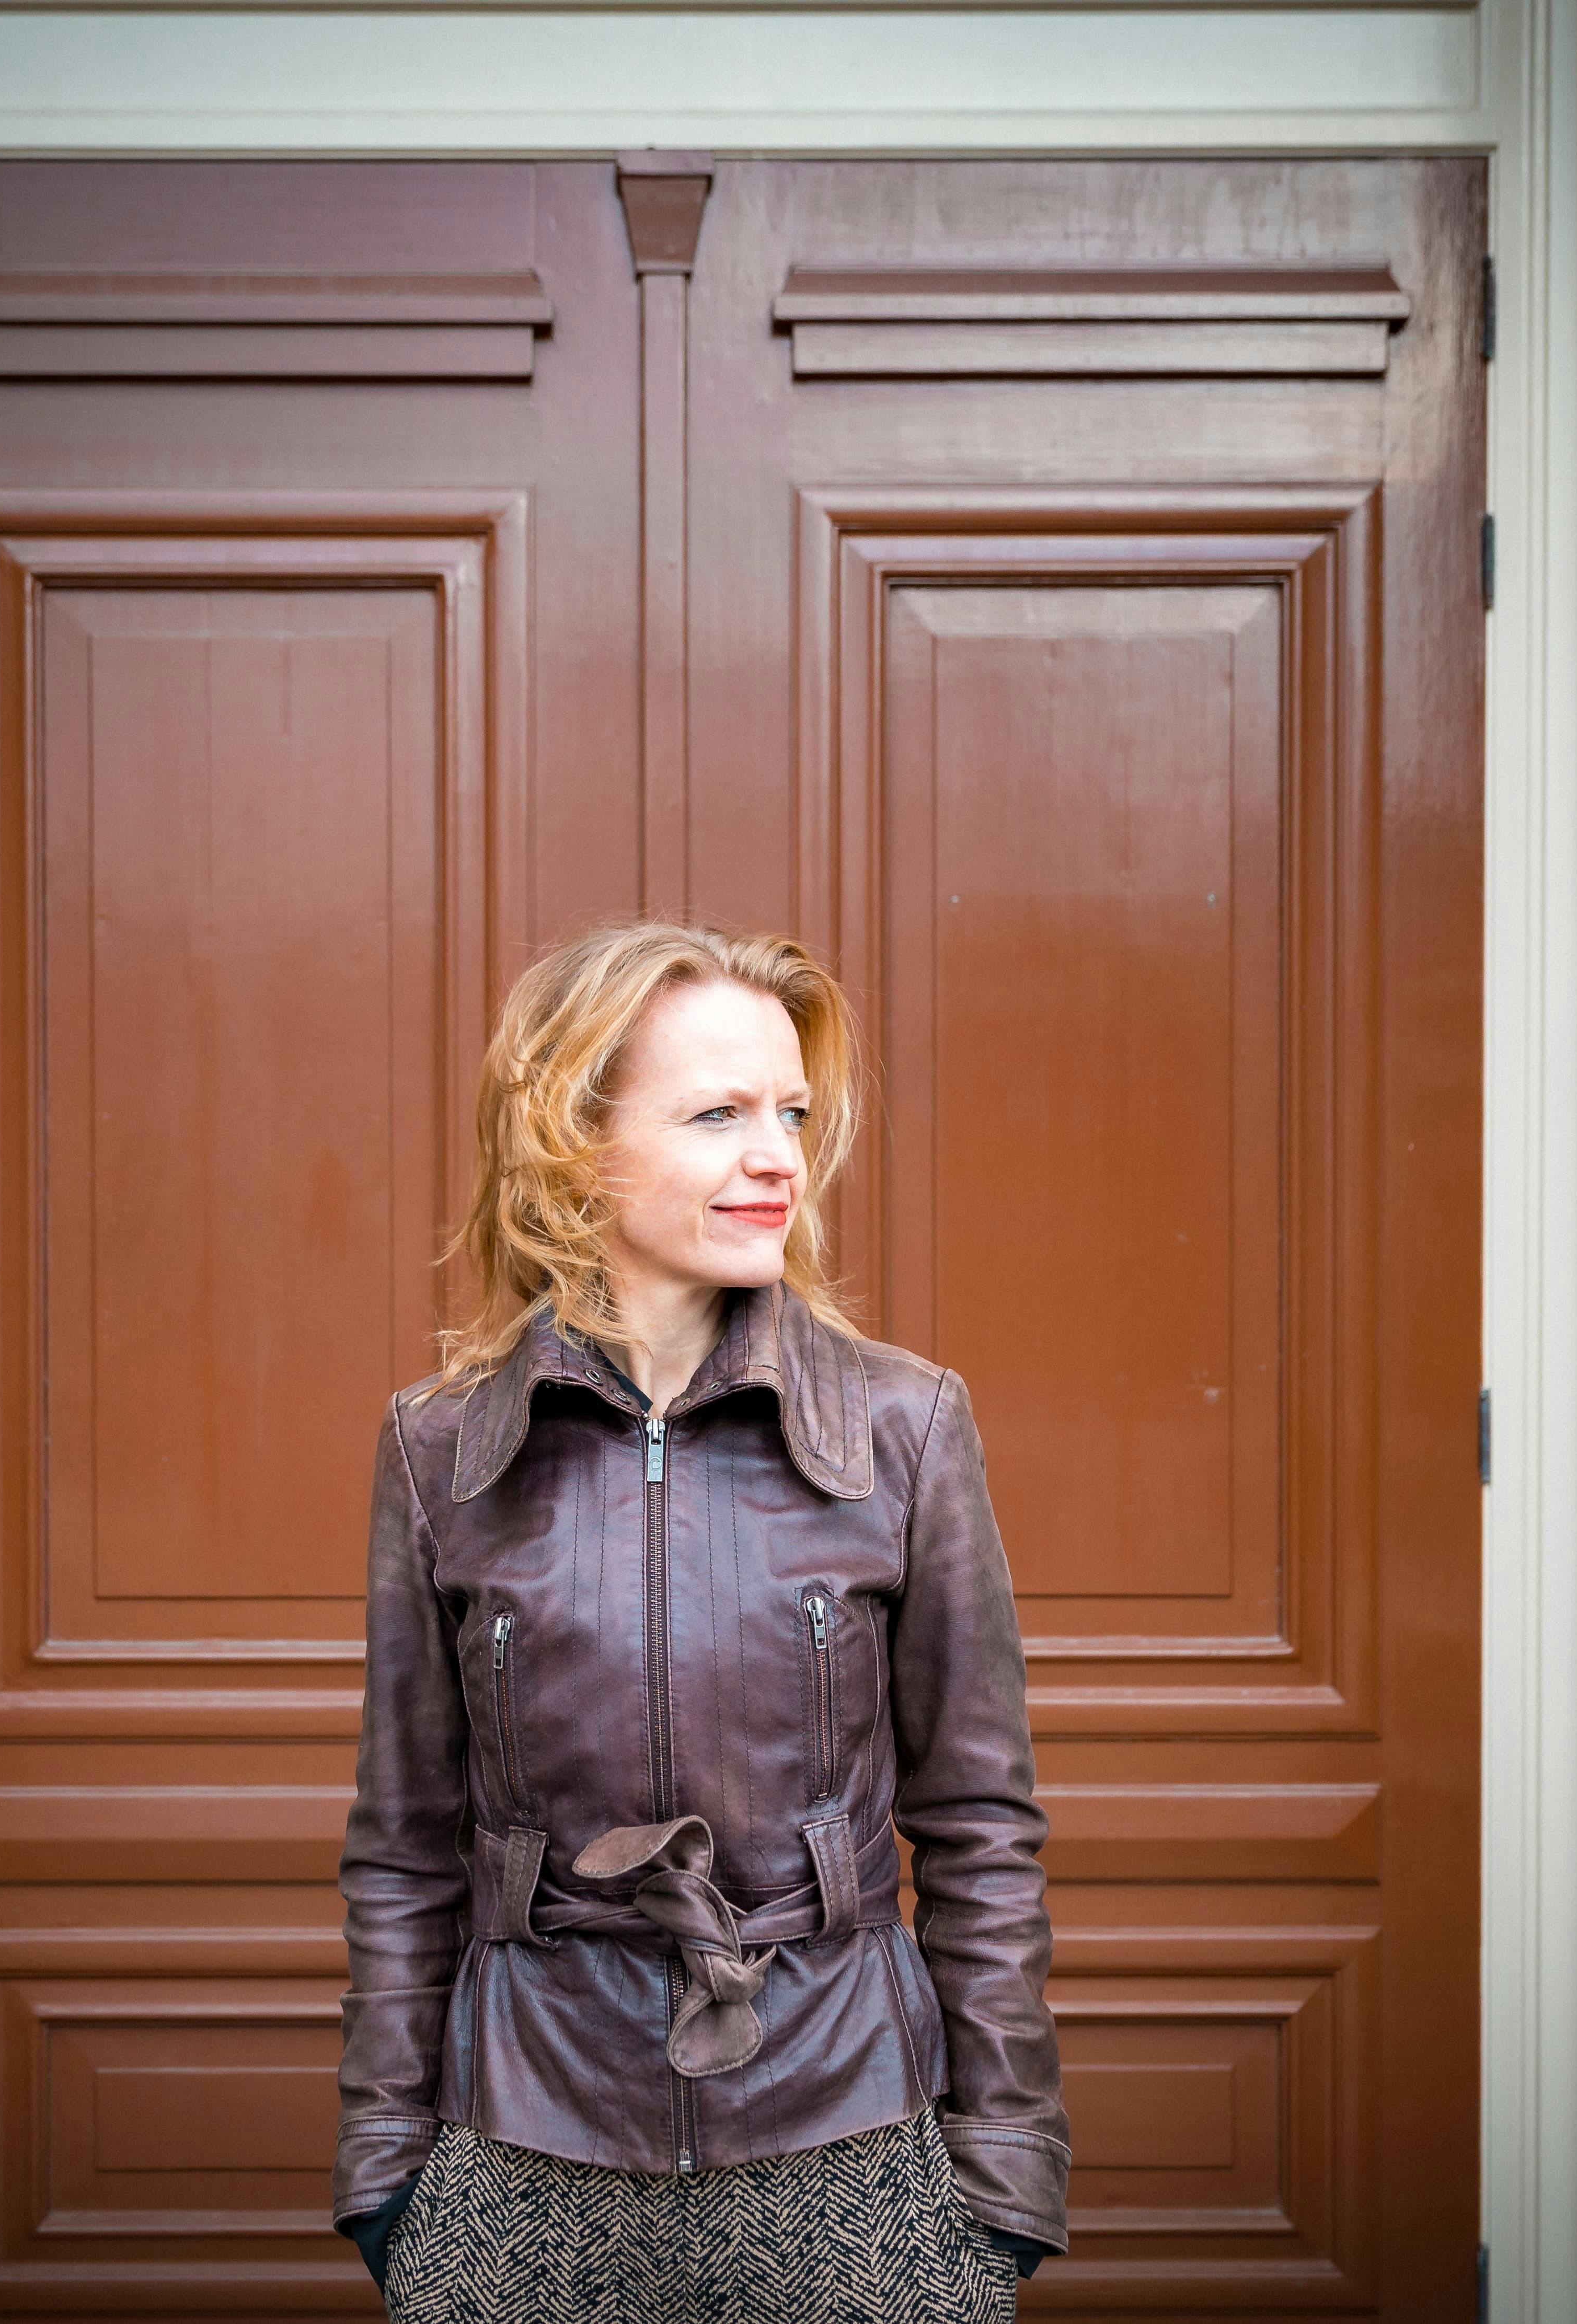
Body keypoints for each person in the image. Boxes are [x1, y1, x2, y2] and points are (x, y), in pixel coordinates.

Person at [333, 921, 1069, 2322]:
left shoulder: (903, 1426)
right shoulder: (441, 1447)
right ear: (573, 1141)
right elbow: (404, 1843)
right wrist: (387, 2165)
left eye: (792, 1112)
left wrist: (1004, 2174)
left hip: (855, 2140)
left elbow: (980, 1826)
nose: (780, 1156)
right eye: (719, 1115)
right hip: (520, 2146)